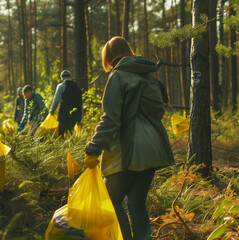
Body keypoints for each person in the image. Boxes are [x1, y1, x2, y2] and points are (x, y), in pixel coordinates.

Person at [84, 37, 174, 240]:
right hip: (154, 147)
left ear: (108, 56)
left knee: (111, 201)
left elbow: (111, 119)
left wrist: (94, 146)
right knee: (137, 205)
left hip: (130, 149)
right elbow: (158, 111)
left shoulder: (118, 76)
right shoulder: (148, 76)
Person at [49, 70, 83, 136]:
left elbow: (56, 101)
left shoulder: (61, 86)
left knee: (62, 134)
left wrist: (51, 111)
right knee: (70, 134)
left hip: (63, 114)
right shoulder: (77, 88)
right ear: (70, 77)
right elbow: (81, 104)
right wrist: (79, 118)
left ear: (62, 78)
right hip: (74, 115)